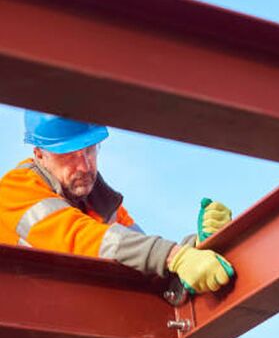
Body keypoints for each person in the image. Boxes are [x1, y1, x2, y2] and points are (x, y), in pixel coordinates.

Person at [0, 110, 234, 294]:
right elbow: (82, 239)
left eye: (89, 151)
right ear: (39, 154)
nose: (84, 166)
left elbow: (143, 254)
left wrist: (198, 246)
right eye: (69, 156)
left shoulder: (99, 202)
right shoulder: (14, 191)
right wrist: (176, 256)